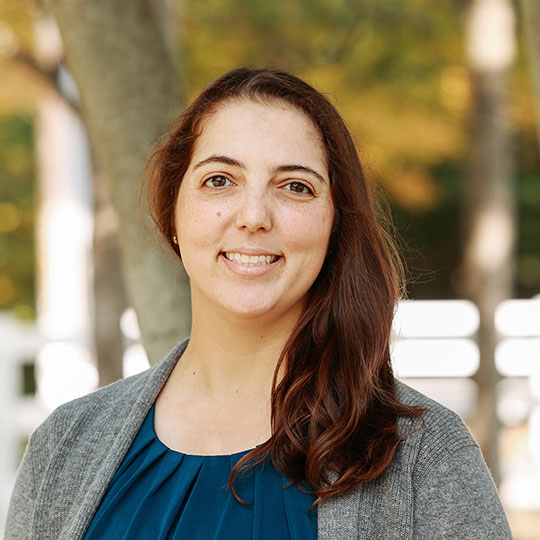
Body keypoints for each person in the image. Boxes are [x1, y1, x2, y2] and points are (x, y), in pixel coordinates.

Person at [5, 67, 512, 540]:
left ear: (335, 223)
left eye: (294, 187)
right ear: (174, 212)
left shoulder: (425, 458)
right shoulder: (64, 447)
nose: (253, 216)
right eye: (219, 180)